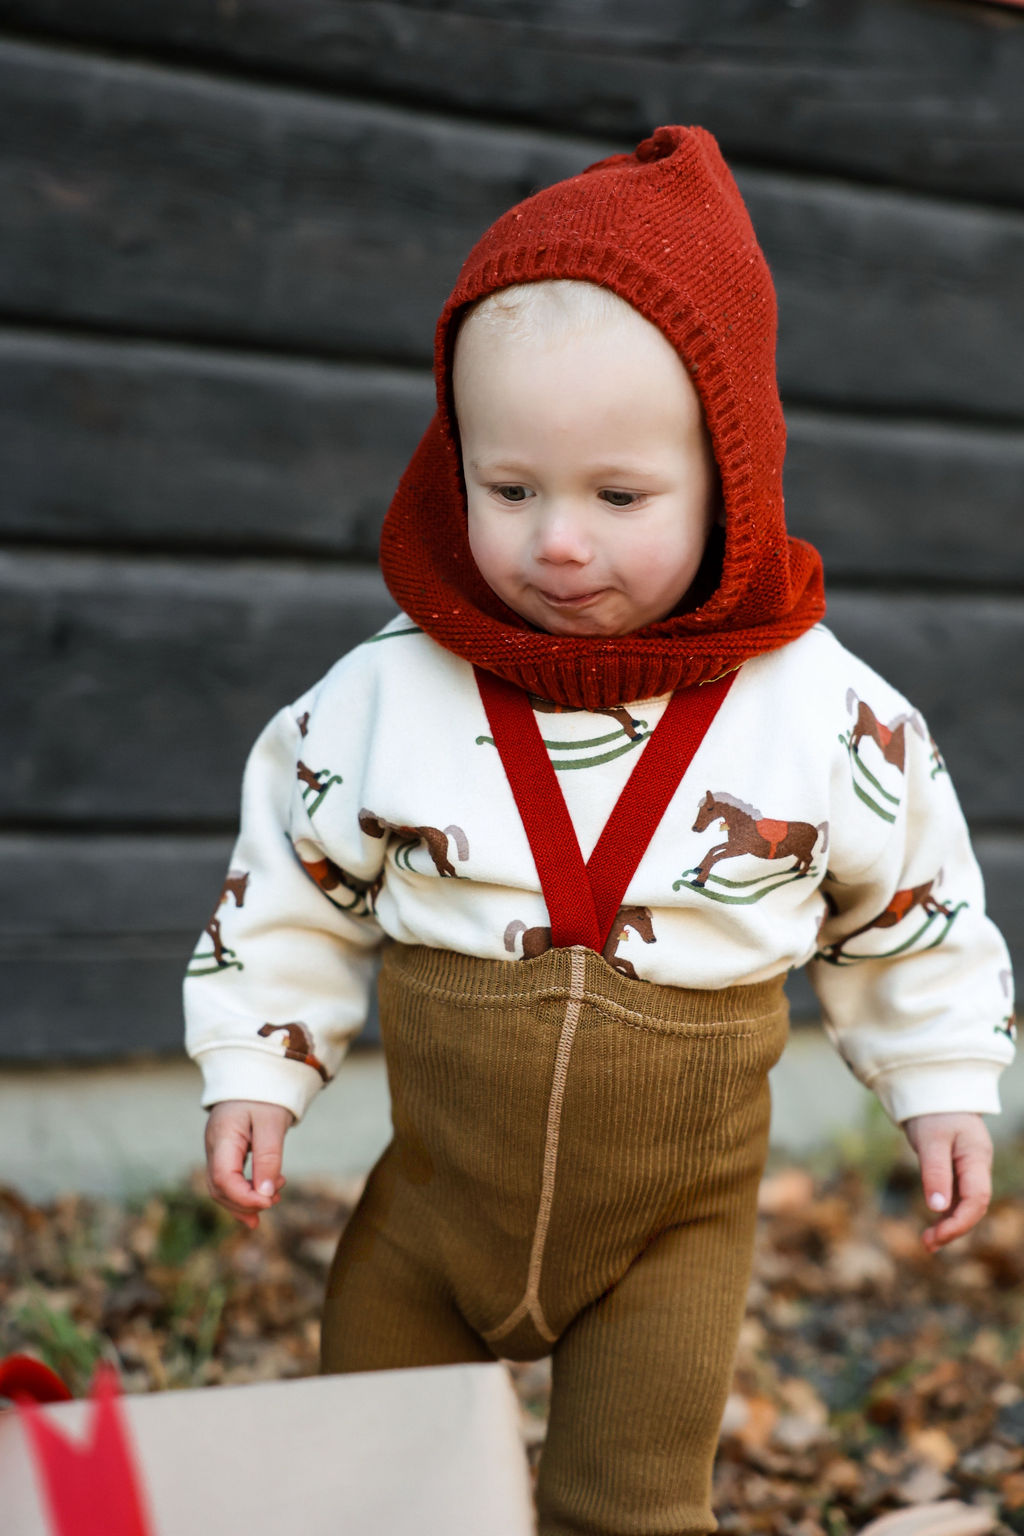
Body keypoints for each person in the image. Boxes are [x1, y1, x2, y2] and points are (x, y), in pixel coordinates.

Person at [183, 125, 1016, 1535]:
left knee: (632, 1502)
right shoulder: (387, 691)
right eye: (510, 490)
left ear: (729, 482)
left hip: (665, 1241)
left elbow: (911, 904)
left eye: (619, 498)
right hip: (434, 1212)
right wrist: (256, 1063)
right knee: (370, 1479)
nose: (556, 542)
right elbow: (296, 884)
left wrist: (944, 1082)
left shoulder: (822, 714)